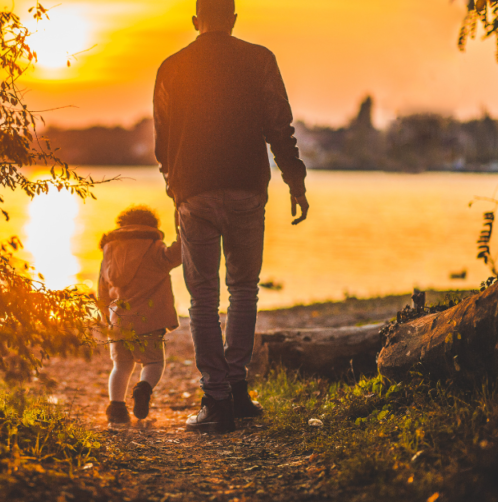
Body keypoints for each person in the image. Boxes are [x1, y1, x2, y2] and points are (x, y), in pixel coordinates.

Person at [154, 0, 310, 433]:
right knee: (244, 289)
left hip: (194, 192)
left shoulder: (171, 66)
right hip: (246, 188)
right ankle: (237, 390)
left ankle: (217, 399)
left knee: (202, 299)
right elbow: (280, 126)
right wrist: (294, 181)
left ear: (195, 21)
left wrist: (174, 186)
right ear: (234, 20)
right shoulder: (259, 59)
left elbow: (163, 139)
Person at [97, 205, 183, 424]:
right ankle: (143, 388)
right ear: (151, 226)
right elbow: (179, 253)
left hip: (118, 322)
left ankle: (116, 408)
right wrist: (182, 224)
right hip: (149, 321)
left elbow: (102, 290)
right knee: (153, 363)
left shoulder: (109, 251)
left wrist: (106, 318)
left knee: (121, 366)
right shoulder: (155, 248)